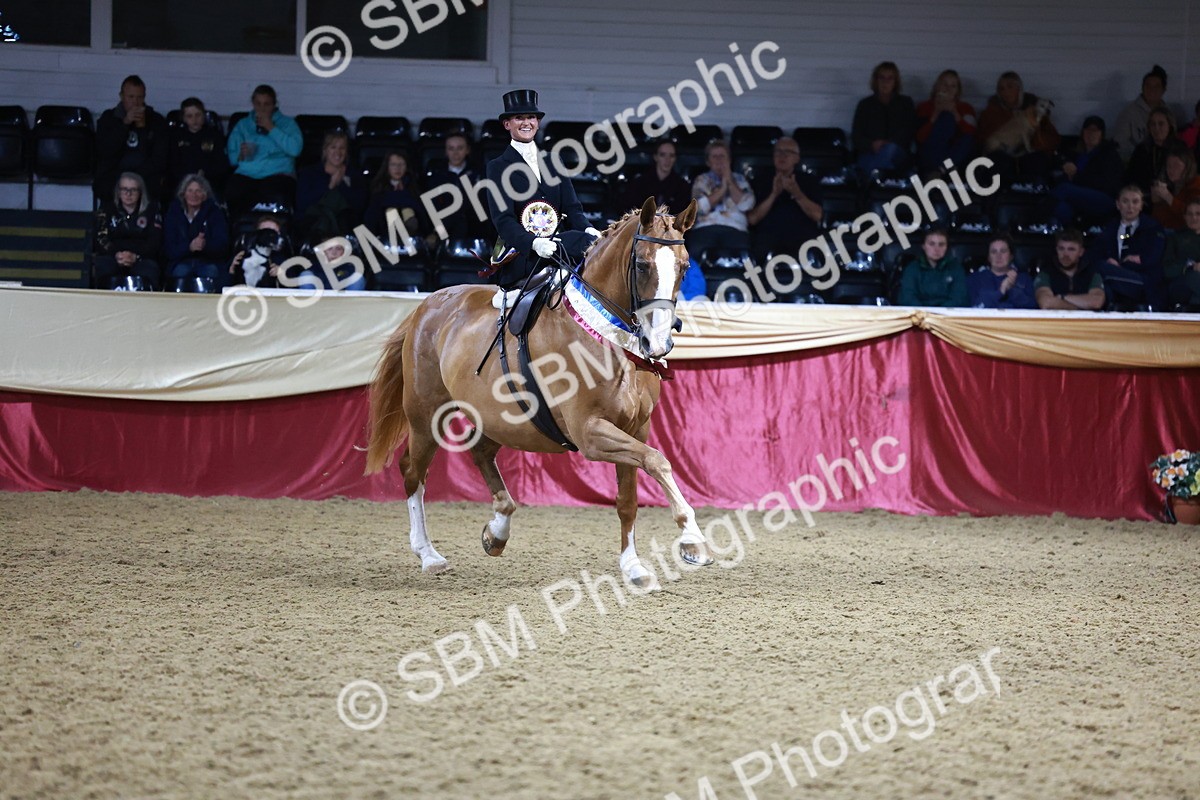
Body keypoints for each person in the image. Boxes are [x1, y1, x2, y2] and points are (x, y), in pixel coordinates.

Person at [484, 89, 600, 289]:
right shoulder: (498, 166)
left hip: (558, 245)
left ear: (537, 123)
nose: (526, 123)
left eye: (531, 117)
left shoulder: (554, 160)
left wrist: (588, 229)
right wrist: (533, 243)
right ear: (507, 124)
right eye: (519, 118)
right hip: (523, 252)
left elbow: (573, 208)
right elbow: (503, 220)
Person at [224, 85, 302, 219]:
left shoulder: (287, 124)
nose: (262, 108)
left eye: (267, 104)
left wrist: (271, 128)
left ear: (274, 105)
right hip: (248, 173)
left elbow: (295, 149)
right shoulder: (243, 125)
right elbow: (232, 158)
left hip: (277, 173)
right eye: (258, 104)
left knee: (272, 193)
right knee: (233, 192)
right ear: (253, 103)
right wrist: (241, 155)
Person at [746, 136, 823, 264]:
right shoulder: (759, 181)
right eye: (778, 151)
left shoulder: (809, 181)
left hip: (802, 235)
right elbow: (752, 219)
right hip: (768, 235)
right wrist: (774, 194)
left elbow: (817, 215)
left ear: (797, 158)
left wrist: (797, 193)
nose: (782, 155)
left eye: (788, 152)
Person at [94, 75, 168, 204]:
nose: (135, 102)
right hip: (114, 174)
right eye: (131, 97)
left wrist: (143, 130)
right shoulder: (108, 119)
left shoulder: (156, 120)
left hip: (145, 175)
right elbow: (105, 152)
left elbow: (159, 158)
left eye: (140, 97)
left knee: (158, 186)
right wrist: (125, 124)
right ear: (122, 96)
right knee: (104, 185)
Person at [975, 71, 1060, 183]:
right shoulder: (991, 113)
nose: (1006, 92)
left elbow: (1050, 138)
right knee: (998, 162)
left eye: (1010, 87)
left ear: (1019, 89)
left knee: (1037, 161)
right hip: (1002, 153)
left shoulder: (1034, 110)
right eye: (1001, 89)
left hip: (1029, 153)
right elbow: (982, 139)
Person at [1090, 185, 1167, 308]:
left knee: (1102, 268)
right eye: (1125, 201)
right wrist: (1111, 262)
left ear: (1141, 205)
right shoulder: (1109, 229)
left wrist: (1119, 267)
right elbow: (1096, 253)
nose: (1130, 206)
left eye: (1135, 202)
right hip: (1114, 278)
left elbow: (1151, 258)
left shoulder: (1152, 228)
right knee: (1101, 280)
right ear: (1118, 204)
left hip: (1143, 281)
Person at [686, 139, 755, 260]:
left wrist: (730, 182)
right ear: (708, 162)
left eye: (722, 156)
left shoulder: (740, 179)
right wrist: (723, 188)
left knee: (743, 256)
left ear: (729, 160)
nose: (719, 161)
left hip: (735, 228)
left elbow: (747, 204)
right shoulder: (701, 180)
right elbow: (700, 208)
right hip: (706, 227)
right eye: (714, 157)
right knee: (696, 254)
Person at [295, 131, 367, 246]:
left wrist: (342, 182)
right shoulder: (309, 173)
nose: (338, 152)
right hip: (314, 225)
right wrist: (330, 185)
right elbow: (302, 203)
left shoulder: (355, 175)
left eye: (342, 148)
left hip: (344, 227)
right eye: (333, 147)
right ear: (325, 150)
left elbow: (359, 205)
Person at [93, 171, 163, 290]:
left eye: (133, 190)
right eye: (124, 189)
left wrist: (135, 256)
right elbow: (101, 238)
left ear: (140, 192)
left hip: (141, 257)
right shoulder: (107, 208)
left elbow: (155, 241)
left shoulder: (152, 210)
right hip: (113, 255)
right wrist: (117, 255)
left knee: (150, 270)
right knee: (103, 266)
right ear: (118, 191)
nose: (128, 194)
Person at [1048, 116, 1123, 227]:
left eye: (1095, 130)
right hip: (1078, 196)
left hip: (1104, 198)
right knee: (1061, 207)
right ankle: (1072, 233)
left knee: (1064, 189)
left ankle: (1035, 215)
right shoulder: (1077, 154)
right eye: (1087, 130)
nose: (1090, 134)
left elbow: (1106, 184)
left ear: (1101, 134)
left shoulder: (1109, 154)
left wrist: (1075, 175)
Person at [163, 173, 229, 290]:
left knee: (211, 272)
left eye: (198, 191)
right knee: (180, 272)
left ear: (205, 195)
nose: (194, 195)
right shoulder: (174, 213)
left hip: (208, 262)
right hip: (180, 262)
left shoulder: (215, 213)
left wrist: (205, 245)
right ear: (183, 194)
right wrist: (189, 247)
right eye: (190, 191)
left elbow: (222, 245)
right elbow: (169, 248)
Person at [851, 61, 916, 177]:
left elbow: (909, 131)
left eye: (890, 78)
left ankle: (872, 179)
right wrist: (872, 145)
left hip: (897, 152)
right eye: (882, 78)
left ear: (895, 82)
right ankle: (880, 177)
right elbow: (856, 135)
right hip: (870, 151)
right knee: (867, 160)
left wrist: (886, 144)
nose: (885, 82)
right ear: (875, 81)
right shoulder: (865, 105)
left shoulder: (905, 103)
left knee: (889, 150)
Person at [915, 69, 977, 177]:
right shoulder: (925, 107)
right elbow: (919, 138)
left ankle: (940, 169)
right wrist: (936, 114)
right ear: (937, 87)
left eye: (953, 86)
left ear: (958, 90)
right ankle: (943, 168)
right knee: (945, 118)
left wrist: (955, 114)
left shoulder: (966, 108)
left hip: (954, 152)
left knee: (967, 138)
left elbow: (971, 134)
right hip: (931, 152)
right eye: (945, 84)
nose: (948, 89)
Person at [425, 134, 486, 241]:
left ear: (467, 150)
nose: (455, 153)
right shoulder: (437, 174)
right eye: (451, 148)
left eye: (460, 148)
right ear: (446, 151)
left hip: (475, 227)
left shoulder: (479, 173)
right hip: (445, 229)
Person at [167, 97, 229, 199]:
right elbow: (172, 165)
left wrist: (205, 174)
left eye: (198, 115)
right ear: (183, 118)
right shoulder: (176, 137)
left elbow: (222, 164)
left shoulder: (214, 136)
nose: (194, 120)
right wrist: (189, 178)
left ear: (204, 115)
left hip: (209, 182)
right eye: (189, 116)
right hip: (183, 182)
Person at [896, 227, 969, 307]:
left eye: (941, 245)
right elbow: (907, 298)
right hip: (919, 316)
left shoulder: (956, 269)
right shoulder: (912, 269)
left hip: (947, 316)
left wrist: (939, 313)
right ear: (923, 246)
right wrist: (925, 314)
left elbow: (959, 298)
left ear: (947, 247)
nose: (936, 249)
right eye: (931, 244)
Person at [1034, 229, 1106, 310]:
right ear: (1056, 250)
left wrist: (1062, 297)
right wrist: (1080, 308)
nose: (1065, 254)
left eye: (1071, 249)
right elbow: (1046, 302)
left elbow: (1096, 302)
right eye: (1061, 249)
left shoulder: (1091, 273)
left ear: (1081, 252)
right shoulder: (1046, 273)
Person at [1113, 65, 1170, 160]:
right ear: (1142, 88)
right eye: (1148, 86)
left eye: (1156, 86)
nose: (1152, 90)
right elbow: (1120, 143)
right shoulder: (1129, 112)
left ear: (1163, 90)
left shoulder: (1168, 112)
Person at [623, 139, 692, 215]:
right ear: (655, 157)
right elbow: (629, 207)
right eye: (663, 155)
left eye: (671, 155)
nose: (667, 160)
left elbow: (682, 213)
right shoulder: (640, 183)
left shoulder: (682, 186)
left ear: (675, 158)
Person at [967, 233, 1037, 309]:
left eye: (1003, 251)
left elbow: (1033, 308)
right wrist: (1001, 291)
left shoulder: (1024, 279)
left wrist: (1012, 289)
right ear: (988, 257)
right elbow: (976, 307)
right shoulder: (975, 279)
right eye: (994, 252)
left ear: (1011, 256)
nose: (998, 256)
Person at [366, 150, 423, 239]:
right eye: (393, 165)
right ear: (387, 167)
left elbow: (421, 212)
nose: (397, 168)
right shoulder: (378, 187)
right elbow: (372, 215)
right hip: (385, 235)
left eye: (401, 164)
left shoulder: (413, 186)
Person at [228, 215, 293, 289]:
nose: (270, 235)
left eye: (274, 233)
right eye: (266, 231)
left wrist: (282, 276)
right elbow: (222, 287)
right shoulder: (242, 256)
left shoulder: (284, 261)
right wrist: (232, 271)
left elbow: (293, 291)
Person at [1125, 107, 1178, 195]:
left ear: (1170, 126)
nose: (1156, 128)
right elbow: (1130, 178)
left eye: (1161, 124)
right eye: (1153, 124)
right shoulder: (1142, 149)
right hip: (1143, 198)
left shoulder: (1179, 150)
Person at [1150, 144, 1200, 229]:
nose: (1171, 170)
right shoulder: (1171, 185)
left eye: (1176, 165)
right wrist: (1157, 202)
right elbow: (1158, 217)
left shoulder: (1196, 184)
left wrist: (1168, 197)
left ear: (1188, 166)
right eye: (1168, 166)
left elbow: (1192, 216)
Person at [1161, 199, 1200, 307]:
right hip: (1181, 282)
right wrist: (1191, 266)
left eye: (1198, 214)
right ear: (1185, 217)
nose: (1194, 218)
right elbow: (1167, 269)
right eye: (1190, 214)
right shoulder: (1175, 238)